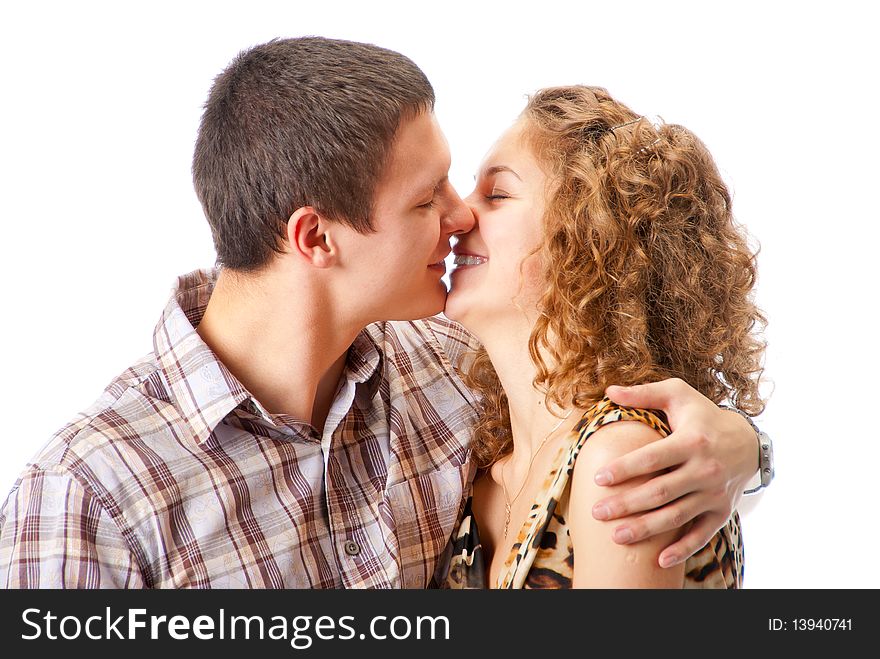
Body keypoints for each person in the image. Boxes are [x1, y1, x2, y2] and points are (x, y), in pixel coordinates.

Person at [0, 39, 768, 588]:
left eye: (475, 190)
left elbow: (605, 423)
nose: (460, 215)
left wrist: (744, 449)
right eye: (425, 197)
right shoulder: (86, 495)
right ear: (316, 237)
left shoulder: (451, 369)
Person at [439, 86, 766, 588]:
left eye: (497, 194)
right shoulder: (484, 471)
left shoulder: (619, 458)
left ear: (589, 235)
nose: (459, 216)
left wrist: (754, 450)